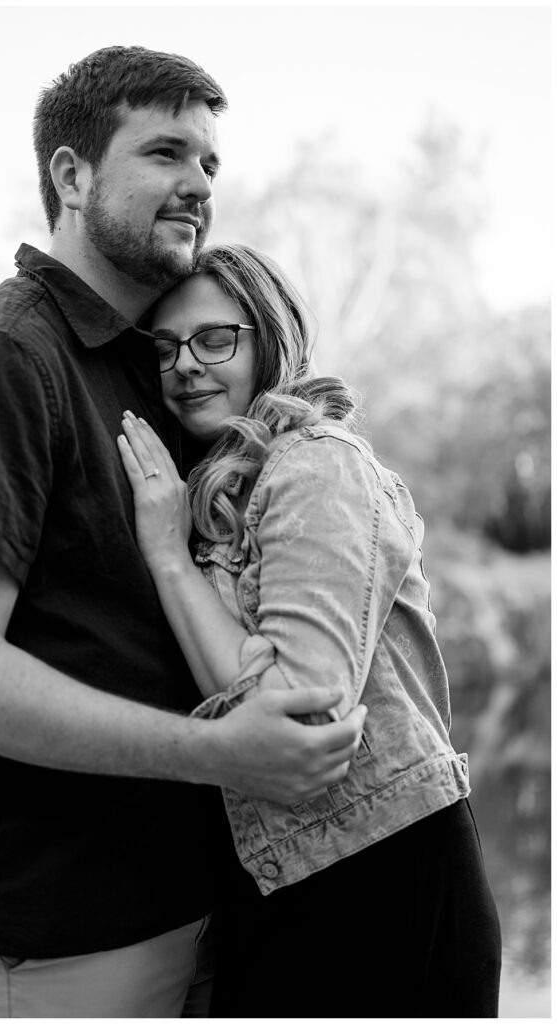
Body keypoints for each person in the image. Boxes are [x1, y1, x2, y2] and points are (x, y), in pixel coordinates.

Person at [0, 49, 367, 1019]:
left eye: (210, 165)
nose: (197, 184)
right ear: (71, 176)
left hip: (171, 902)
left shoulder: (149, 360)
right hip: (52, 936)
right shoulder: (3, 359)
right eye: (166, 151)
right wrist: (219, 751)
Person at [117, 242, 503, 1018]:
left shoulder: (315, 466)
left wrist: (163, 554)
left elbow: (299, 707)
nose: (186, 364)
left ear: (270, 338)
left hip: (383, 880)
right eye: (165, 348)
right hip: (274, 884)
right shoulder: (218, 494)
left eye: (215, 339)